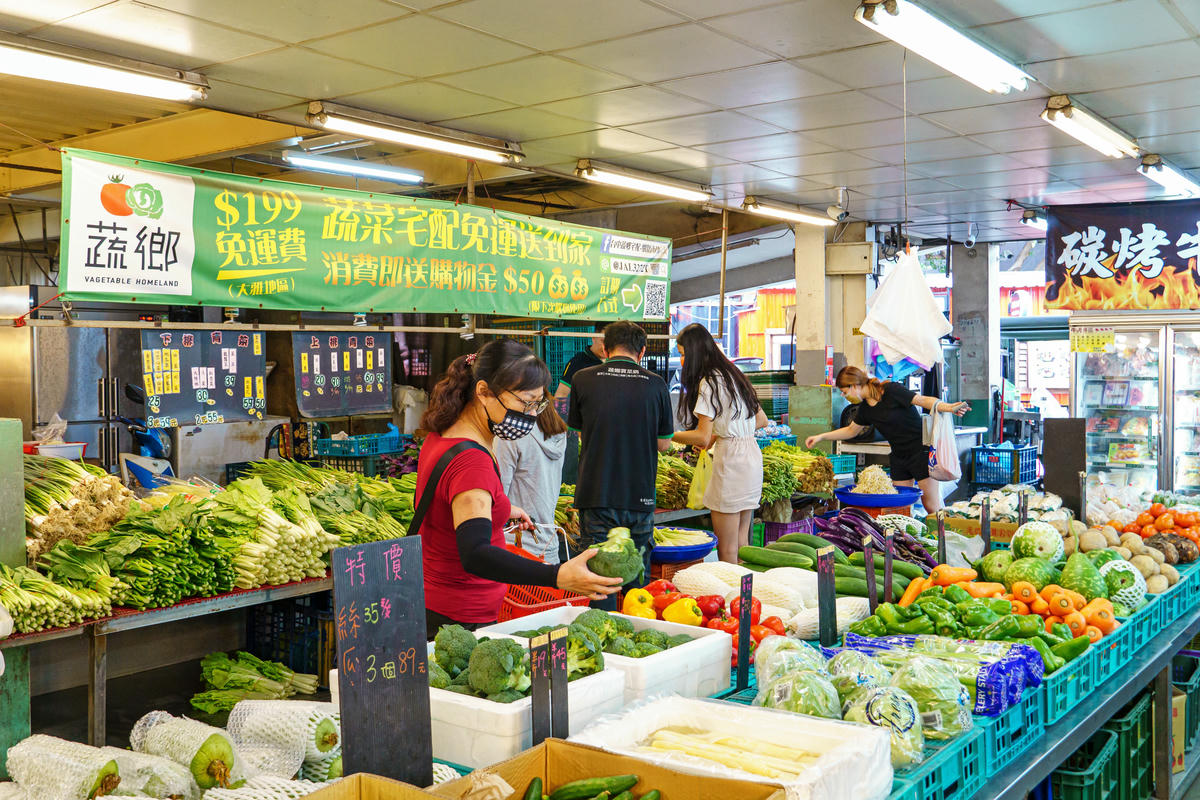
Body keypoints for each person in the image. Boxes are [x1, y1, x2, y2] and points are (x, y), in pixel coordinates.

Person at [415, 339, 621, 638]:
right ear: (483, 392)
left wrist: (500, 507)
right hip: (459, 618)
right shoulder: (472, 461)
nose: (532, 413)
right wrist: (557, 575)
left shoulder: (441, 436)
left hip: (437, 601)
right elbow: (475, 553)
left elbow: (446, 502)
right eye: (525, 403)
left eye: (538, 403)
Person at [568, 321, 674, 609]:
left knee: (598, 578)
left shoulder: (582, 378)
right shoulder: (656, 384)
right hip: (640, 495)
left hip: (596, 493)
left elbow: (577, 431)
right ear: (642, 351)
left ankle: (601, 638)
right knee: (636, 581)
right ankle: (635, 636)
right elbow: (664, 444)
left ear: (604, 347)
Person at [805, 366, 969, 514]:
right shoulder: (865, 410)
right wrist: (821, 436)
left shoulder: (891, 390)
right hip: (899, 457)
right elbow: (850, 431)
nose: (844, 396)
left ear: (854, 386)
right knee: (898, 509)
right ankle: (906, 544)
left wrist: (948, 407)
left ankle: (943, 543)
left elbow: (922, 400)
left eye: (844, 392)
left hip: (921, 452)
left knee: (931, 506)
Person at [670, 324, 769, 563]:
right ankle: (746, 599)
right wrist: (725, 432)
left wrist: (665, 435)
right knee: (742, 544)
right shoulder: (732, 374)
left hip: (731, 462)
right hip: (751, 458)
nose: (682, 361)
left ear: (694, 353)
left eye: (683, 354)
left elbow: (702, 437)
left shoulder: (709, 382)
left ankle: (731, 598)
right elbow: (761, 420)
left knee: (726, 549)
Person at [494, 404, 568, 564]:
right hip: (548, 546)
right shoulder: (556, 429)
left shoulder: (511, 433)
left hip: (516, 550)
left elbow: (496, 499)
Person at [554, 323, 606, 400]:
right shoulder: (577, 362)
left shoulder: (615, 360)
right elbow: (561, 394)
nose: (606, 346)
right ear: (594, 337)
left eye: (611, 342)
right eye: (603, 341)